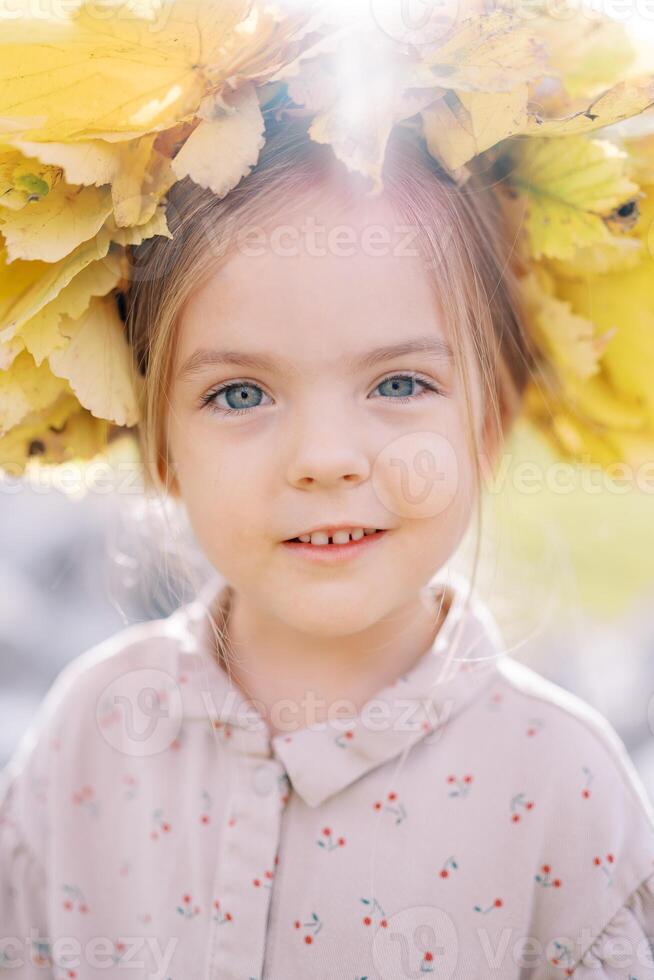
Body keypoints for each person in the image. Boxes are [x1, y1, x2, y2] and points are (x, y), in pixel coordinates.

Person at [2, 114, 654, 980]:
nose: (324, 459)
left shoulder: (560, 790)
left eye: (397, 383)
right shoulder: (90, 737)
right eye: (240, 394)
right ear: (158, 446)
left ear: (490, 422)